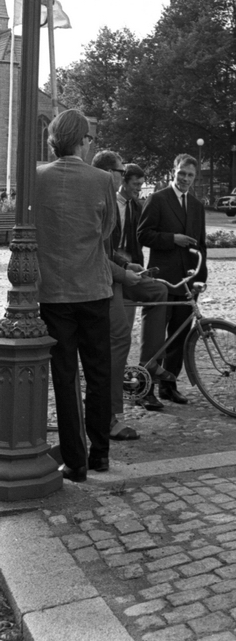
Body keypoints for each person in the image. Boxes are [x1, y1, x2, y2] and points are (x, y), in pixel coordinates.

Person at [36, 109, 116, 482]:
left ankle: (76, 460)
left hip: (54, 291)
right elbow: (107, 230)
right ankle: (100, 453)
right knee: (98, 373)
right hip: (93, 288)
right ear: (83, 140)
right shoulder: (102, 179)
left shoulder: (37, 177)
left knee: (64, 377)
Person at [92, 152, 169, 437]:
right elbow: (96, 254)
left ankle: (149, 365)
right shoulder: (99, 201)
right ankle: (110, 416)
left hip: (118, 270)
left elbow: (109, 250)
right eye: (121, 172)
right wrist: (123, 272)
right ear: (109, 174)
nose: (124, 178)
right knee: (119, 336)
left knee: (159, 290)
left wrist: (128, 265)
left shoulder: (127, 203)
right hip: (102, 279)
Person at [137, 154, 208, 404]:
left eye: (190, 175)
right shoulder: (158, 199)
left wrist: (200, 277)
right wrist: (172, 239)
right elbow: (143, 234)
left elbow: (201, 245)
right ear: (173, 172)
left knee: (180, 336)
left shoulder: (197, 206)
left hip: (187, 282)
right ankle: (144, 389)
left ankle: (169, 385)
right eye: (182, 174)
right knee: (154, 336)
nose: (185, 179)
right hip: (163, 279)